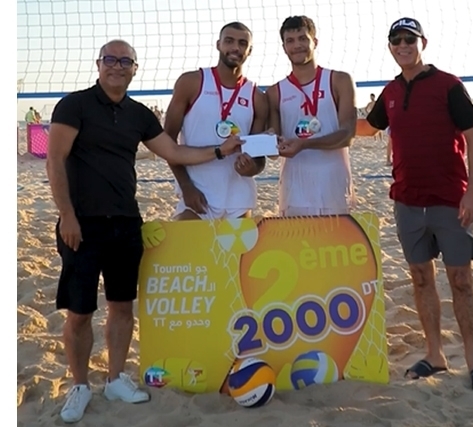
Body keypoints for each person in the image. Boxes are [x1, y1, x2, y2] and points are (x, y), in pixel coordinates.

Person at [46, 39, 243, 423]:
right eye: (110, 60)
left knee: (122, 306)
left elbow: (173, 151)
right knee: (80, 313)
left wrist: (221, 150)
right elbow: (55, 159)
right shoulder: (75, 105)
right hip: (81, 225)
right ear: (98, 63)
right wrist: (66, 214)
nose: (117, 67)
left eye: (125, 61)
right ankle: (80, 385)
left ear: (135, 69)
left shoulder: (138, 114)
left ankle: (116, 378)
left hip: (126, 222)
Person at [366, 17, 473, 393]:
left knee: (461, 281)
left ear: (423, 42)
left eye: (409, 39)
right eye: (396, 40)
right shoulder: (390, 91)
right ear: (390, 47)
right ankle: (435, 354)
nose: (403, 45)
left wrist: (472, 193)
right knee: (421, 277)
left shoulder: (448, 85)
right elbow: (365, 128)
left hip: (450, 199)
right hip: (407, 201)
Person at [164, 22, 268, 220]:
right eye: (229, 41)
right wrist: (186, 186)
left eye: (242, 43)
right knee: (188, 248)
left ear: (250, 50)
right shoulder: (191, 82)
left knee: (239, 252)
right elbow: (167, 142)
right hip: (197, 196)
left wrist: (252, 167)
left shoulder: (257, 97)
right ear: (218, 44)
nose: (235, 47)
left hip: (238, 200)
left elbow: (258, 158)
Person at [266, 15, 357, 217]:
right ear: (284, 47)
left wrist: (305, 144)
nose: (297, 45)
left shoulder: (339, 80)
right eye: (290, 41)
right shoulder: (275, 92)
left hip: (334, 186)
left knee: (335, 248)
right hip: (294, 191)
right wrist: (267, 140)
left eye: (302, 38)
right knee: (297, 248)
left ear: (314, 42)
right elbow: (273, 150)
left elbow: (347, 135)